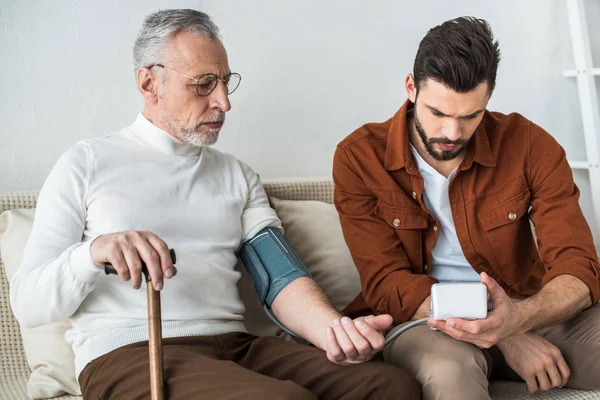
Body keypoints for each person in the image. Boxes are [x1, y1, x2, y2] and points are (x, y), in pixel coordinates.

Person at [10, 9, 420, 399]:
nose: (224, 102)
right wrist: (93, 252)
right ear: (149, 83)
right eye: (203, 84)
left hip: (236, 348)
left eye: (225, 81)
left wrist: (335, 330)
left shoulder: (236, 175)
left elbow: (280, 278)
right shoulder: (85, 163)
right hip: (130, 353)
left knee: (390, 387)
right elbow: (29, 303)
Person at [333, 16, 600, 400]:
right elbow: (386, 283)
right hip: (424, 322)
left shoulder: (530, 145)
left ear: (488, 97)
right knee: (449, 372)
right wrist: (506, 336)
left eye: (469, 116)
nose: (452, 134)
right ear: (411, 88)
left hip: (526, 310)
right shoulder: (359, 158)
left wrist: (517, 321)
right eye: (438, 114)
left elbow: (579, 267)